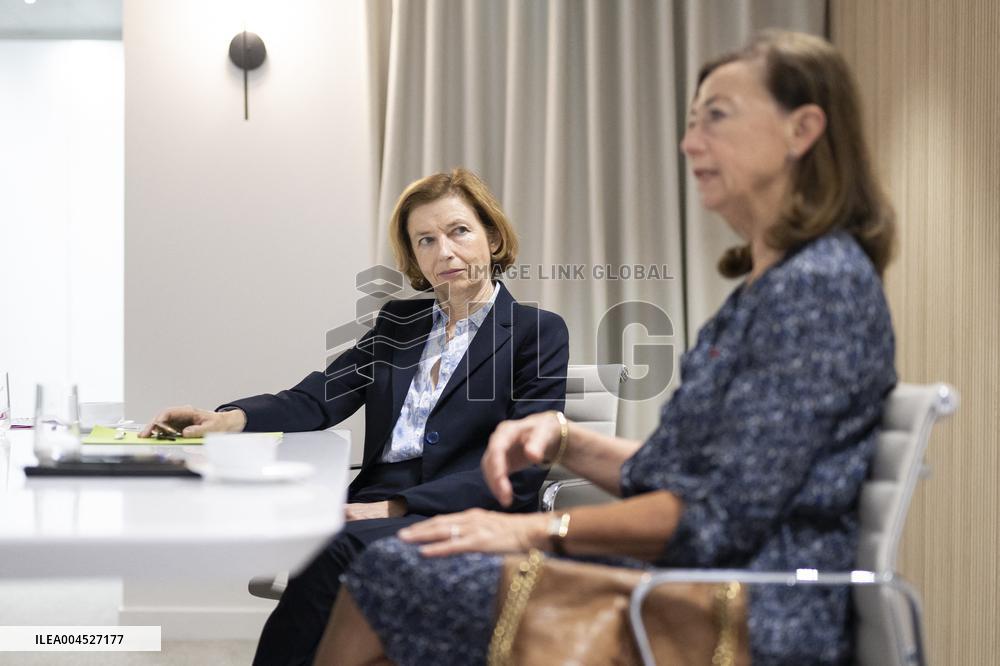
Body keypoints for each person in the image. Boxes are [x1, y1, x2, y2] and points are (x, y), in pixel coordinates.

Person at [314, 30, 897, 666]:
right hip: (697, 577)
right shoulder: (771, 288)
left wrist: (529, 529)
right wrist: (568, 440)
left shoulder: (819, 288)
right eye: (691, 121)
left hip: (748, 608)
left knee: (392, 571)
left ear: (802, 129)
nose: (689, 142)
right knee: (393, 569)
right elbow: (680, 471)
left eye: (716, 118)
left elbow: (715, 515)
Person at [141, 168, 569, 665]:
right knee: (301, 537)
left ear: (491, 237)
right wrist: (227, 419)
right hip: (371, 501)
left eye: (459, 231)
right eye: (425, 240)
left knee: (330, 551)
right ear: (414, 257)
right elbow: (320, 397)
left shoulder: (536, 332)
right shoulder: (399, 323)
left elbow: (523, 467)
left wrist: (398, 507)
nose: (444, 252)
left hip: (463, 512)